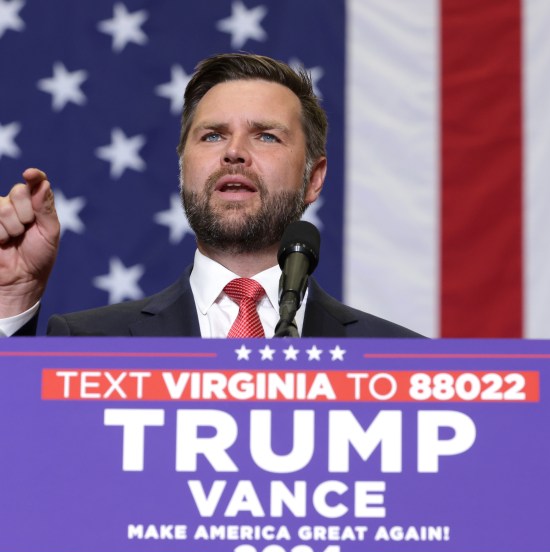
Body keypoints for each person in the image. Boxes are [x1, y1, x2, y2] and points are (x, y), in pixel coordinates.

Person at [0, 53, 422, 339]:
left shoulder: (397, 359)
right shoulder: (89, 344)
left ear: (314, 177)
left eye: (267, 136)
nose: (234, 151)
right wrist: (11, 299)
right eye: (213, 135)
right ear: (184, 166)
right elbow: (23, 456)